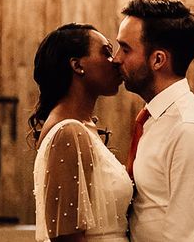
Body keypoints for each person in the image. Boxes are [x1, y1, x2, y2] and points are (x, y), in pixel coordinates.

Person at [114, 0, 194, 242]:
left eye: (125, 49)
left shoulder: (190, 130)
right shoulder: (153, 118)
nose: (116, 59)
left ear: (158, 60)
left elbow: (183, 236)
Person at [30, 23, 133, 242]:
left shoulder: (81, 126)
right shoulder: (68, 132)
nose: (115, 60)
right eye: (106, 52)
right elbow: (67, 237)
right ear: (77, 65)